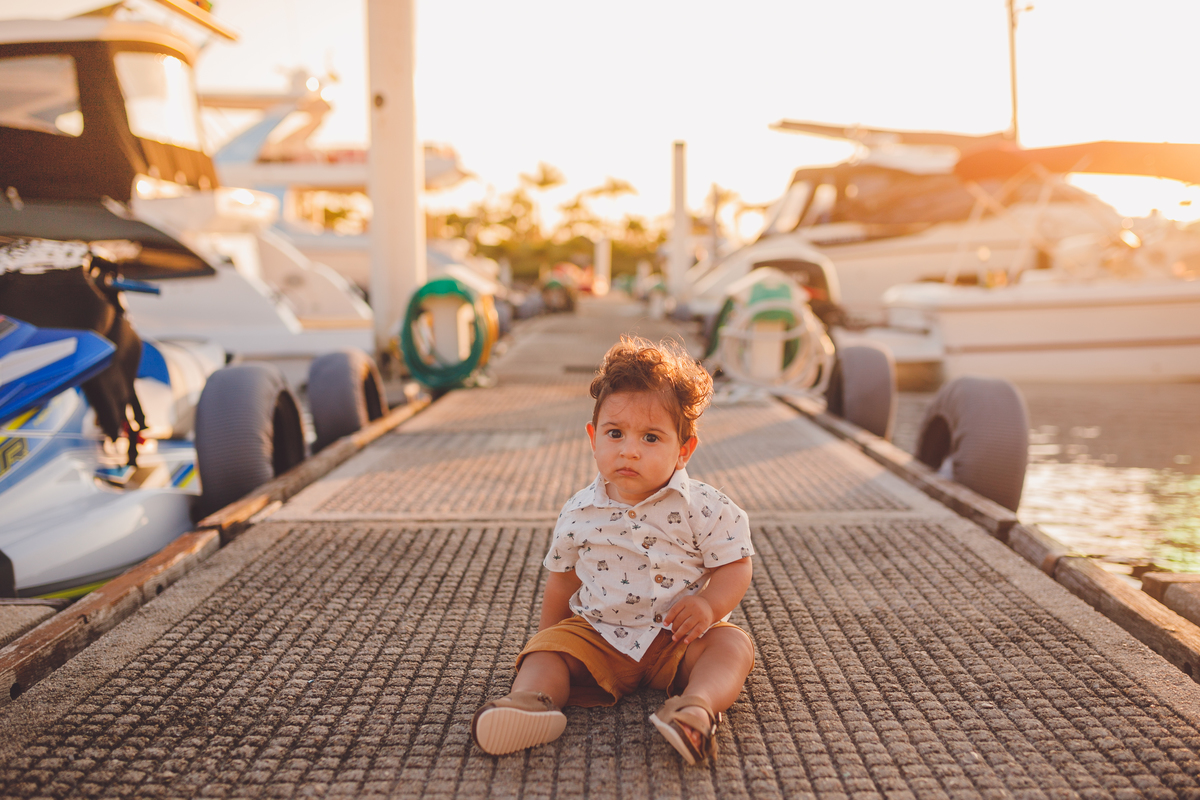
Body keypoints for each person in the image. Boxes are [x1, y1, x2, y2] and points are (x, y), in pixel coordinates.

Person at [471, 336, 755, 765]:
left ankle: (695, 708)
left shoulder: (706, 506)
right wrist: (548, 639)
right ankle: (531, 702)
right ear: (593, 437)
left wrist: (709, 606)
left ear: (684, 449)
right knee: (547, 653)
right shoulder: (579, 510)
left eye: (651, 437)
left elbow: (736, 565)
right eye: (615, 433)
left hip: (678, 639)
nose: (629, 449)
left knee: (732, 647)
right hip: (601, 635)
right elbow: (563, 579)